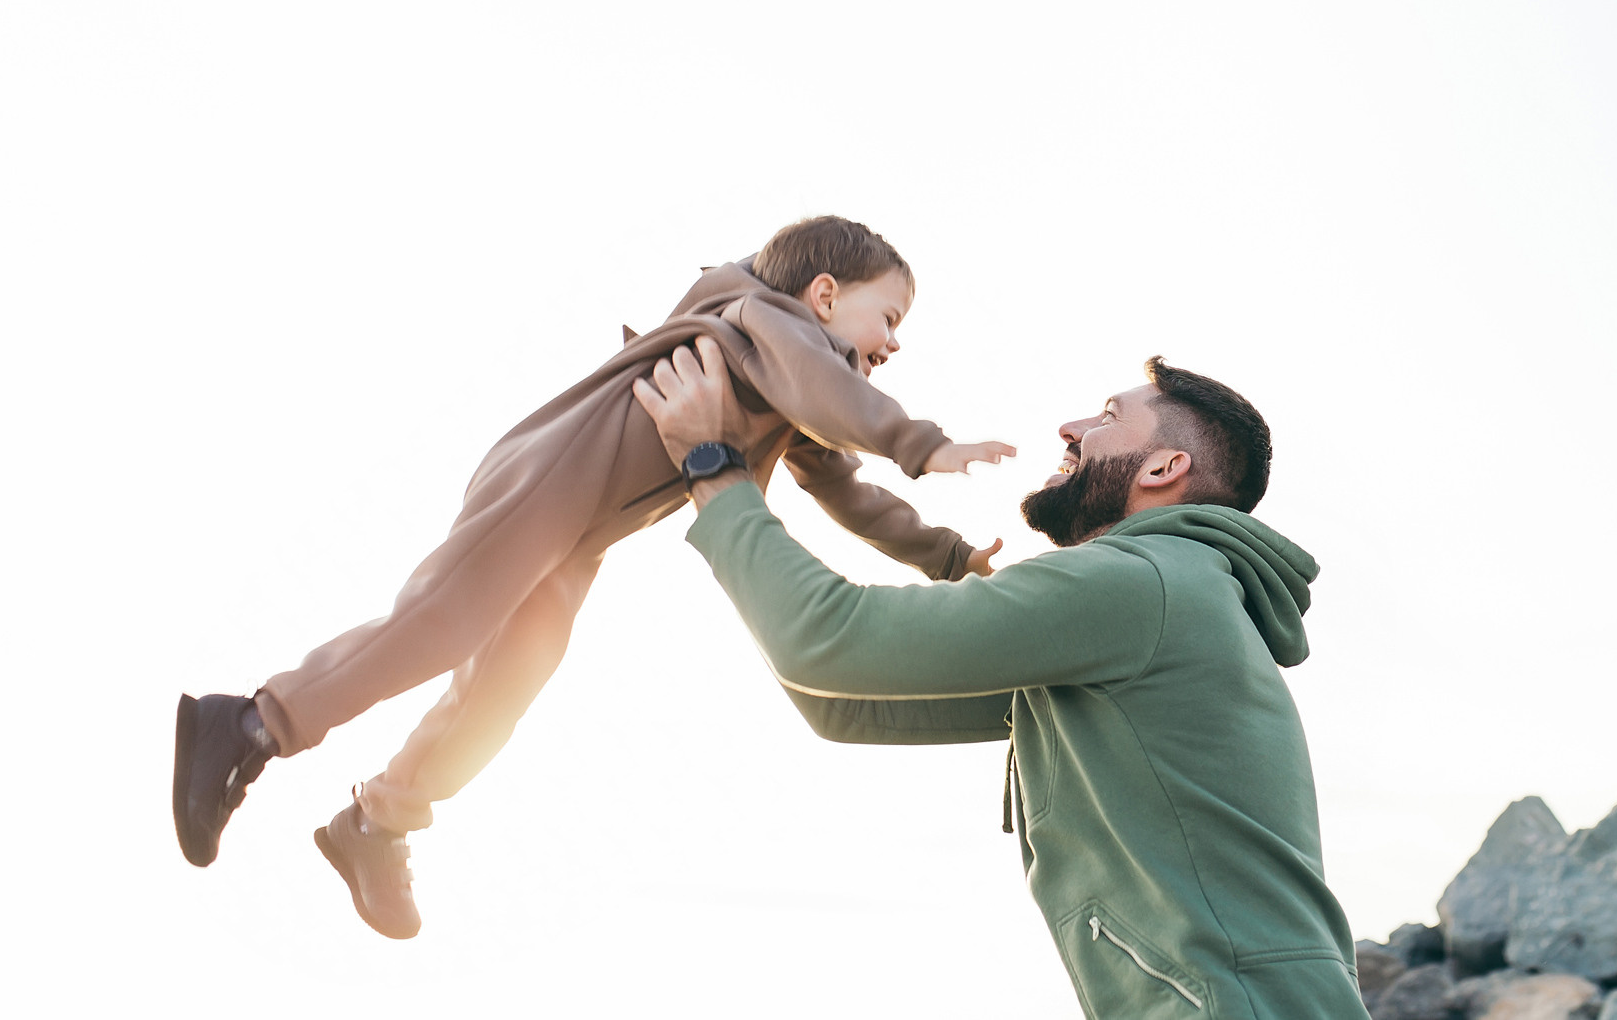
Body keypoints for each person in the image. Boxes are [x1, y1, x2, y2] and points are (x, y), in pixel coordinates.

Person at [172, 216, 1013, 938]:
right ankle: (250, 722)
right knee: (443, 622)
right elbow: (828, 387)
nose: (894, 342)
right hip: (548, 476)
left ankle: (375, 821)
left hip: (581, 535)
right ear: (823, 296)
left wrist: (945, 555)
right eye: (889, 316)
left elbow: (848, 492)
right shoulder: (763, 320)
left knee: (504, 686)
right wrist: (925, 444)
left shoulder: (794, 396)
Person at [633, 338, 1371, 1020]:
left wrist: (714, 468)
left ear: (1161, 469)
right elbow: (847, 702)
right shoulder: (1164, 599)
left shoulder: (1143, 580)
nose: (1070, 427)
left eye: (1109, 416)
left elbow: (829, 644)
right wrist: (794, 474)